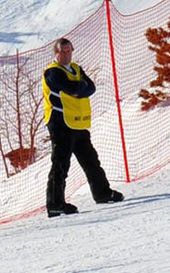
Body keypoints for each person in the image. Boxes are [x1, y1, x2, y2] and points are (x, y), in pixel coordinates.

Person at [42, 37, 124, 218]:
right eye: (61, 51)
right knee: (60, 165)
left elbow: (91, 88)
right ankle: (55, 204)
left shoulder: (76, 69)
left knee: (91, 160)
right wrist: (79, 88)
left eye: (68, 50)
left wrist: (79, 89)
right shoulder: (52, 72)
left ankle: (102, 193)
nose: (65, 54)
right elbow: (69, 87)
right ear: (55, 53)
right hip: (60, 123)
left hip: (78, 123)